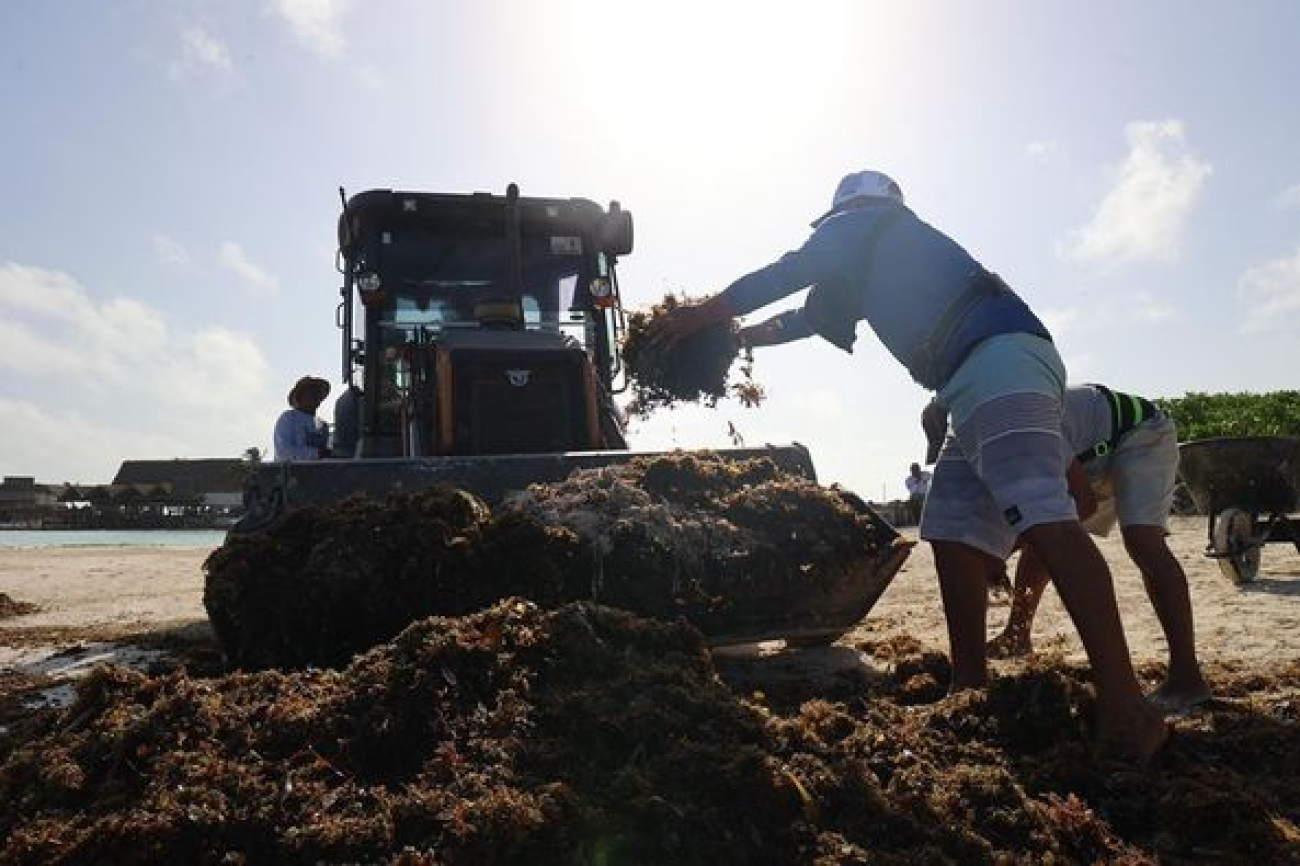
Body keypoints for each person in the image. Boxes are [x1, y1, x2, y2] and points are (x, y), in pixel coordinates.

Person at [649, 169, 1168, 760]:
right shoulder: (872, 264)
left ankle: (1128, 710)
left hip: (1000, 362)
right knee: (948, 529)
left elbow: (788, 272)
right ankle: (968, 687)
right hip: (969, 383)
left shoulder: (863, 223)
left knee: (1045, 519)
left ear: (850, 212)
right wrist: (734, 339)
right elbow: (802, 319)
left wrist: (704, 314)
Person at [978, 385, 1212, 713]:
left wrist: (1005, 548)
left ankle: (1187, 678)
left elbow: (1084, 505)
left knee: (1143, 542)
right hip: (1089, 452)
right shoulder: (985, 437)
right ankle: (1017, 636)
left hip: (1139, 432)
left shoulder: (1023, 423)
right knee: (1044, 535)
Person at [273, 376, 331, 461]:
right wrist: (317, 453)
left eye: (317, 393)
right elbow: (283, 452)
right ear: (300, 397)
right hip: (290, 473)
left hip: (320, 473)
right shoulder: (288, 418)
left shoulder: (323, 425)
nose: (315, 396)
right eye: (310, 392)